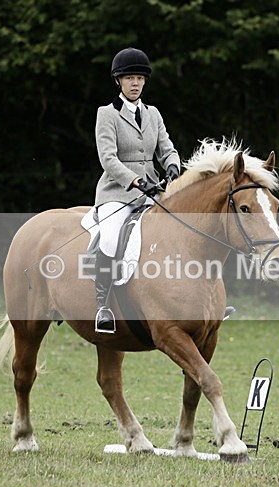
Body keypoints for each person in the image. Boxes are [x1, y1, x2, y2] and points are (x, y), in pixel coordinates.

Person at [93, 47, 180, 333]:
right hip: (116, 192)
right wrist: (135, 180)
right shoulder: (107, 114)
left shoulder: (153, 114)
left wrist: (172, 168)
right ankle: (102, 306)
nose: (135, 83)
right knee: (109, 237)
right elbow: (108, 159)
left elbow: (167, 148)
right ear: (118, 81)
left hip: (153, 192)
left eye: (139, 78)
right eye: (129, 77)